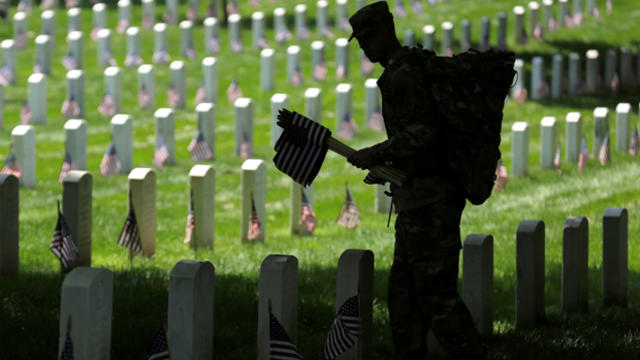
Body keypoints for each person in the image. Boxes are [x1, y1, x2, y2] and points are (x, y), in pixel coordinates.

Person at [345, 2, 486, 359]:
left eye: (368, 39)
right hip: (415, 201)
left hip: (432, 204)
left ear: (386, 31)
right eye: (360, 42)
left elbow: (424, 134)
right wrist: (388, 167)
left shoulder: (404, 76)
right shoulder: (401, 69)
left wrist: (374, 154)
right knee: (403, 297)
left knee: (436, 296)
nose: (365, 48)